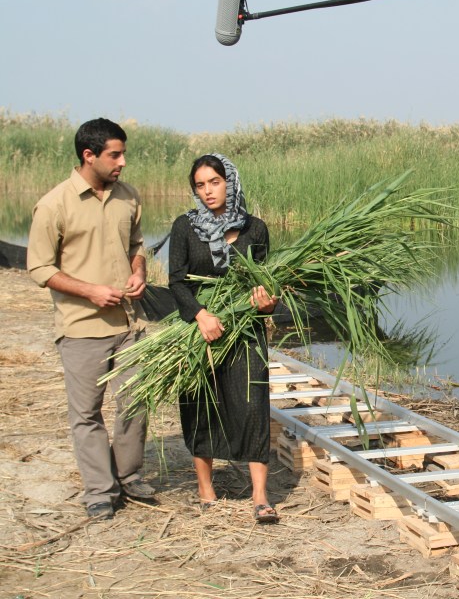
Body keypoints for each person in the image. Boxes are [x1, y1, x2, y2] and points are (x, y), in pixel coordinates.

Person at [27, 117, 156, 520]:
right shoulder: (54, 204)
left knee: (136, 401)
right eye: (115, 155)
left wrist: (139, 272)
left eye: (123, 154)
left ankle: (129, 474)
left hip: (130, 324)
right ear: (89, 155)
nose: (122, 163)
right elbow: (39, 268)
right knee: (86, 413)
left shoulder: (128, 197)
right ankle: (100, 489)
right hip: (82, 328)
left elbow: (137, 246)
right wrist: (90, 291)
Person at [167, 153, 280, 523]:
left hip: (244, 330)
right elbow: (177, 281)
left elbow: (265, 281)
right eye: (200, 185)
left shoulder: (255, 229)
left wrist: (266, 302)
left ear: (229, 183)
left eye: (214, 182)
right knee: (200, 403)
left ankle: (260, 495)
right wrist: (200, 315)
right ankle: (205, 487)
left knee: (252, 405)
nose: (207, 191)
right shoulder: (184, 227)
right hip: (200, 329)